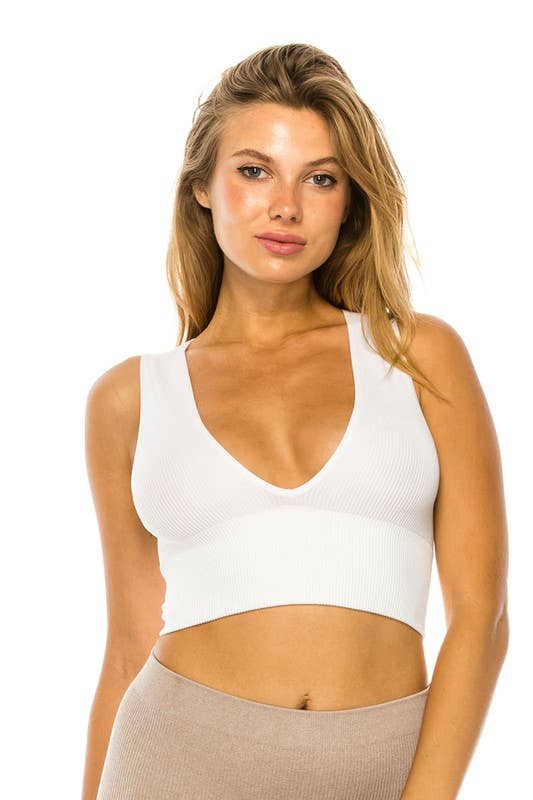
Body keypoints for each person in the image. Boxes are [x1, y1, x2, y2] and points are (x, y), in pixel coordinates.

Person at [82, 43, 509, 800]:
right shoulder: (130, 399)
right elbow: (126, 645)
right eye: (254, 171)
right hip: (175, 759)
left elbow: (482, 618)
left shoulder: (416, 356)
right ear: (202, 187)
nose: (286, 206)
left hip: (383, 766)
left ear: (350, 201)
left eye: (320, 178)